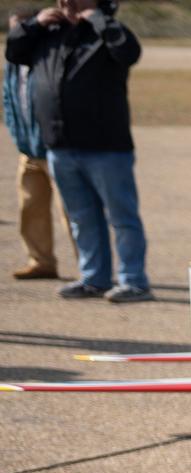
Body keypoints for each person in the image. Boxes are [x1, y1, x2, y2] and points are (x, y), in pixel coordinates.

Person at [6, 0, 148, 301]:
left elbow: (129, 52)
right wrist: (34, 24)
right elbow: (14, 51)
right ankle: (94, 278)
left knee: (121, 217)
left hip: (106, 146)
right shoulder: (49, 32)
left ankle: (133, 281)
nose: (64, 2)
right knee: (81, 218)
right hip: (60, 145)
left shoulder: (105, 31)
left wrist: (99, 19)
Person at [2, 11, 57, 279]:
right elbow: (10, 101)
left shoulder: (49, 58)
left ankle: (91, 271)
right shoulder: (13, 63)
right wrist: (18, 136)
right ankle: (41, 261)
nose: (15, 36)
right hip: (28, 150)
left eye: (20, 29)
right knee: (30, 208)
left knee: (73, 214)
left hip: (56, 149)